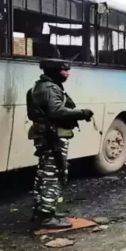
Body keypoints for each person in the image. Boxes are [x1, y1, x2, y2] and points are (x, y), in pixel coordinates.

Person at [27, 59, 94, 229]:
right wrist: (82, 113)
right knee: (53, 174)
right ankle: (47, 216)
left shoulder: (40, 86)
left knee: (43, 173)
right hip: (52, 137)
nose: (68, 73)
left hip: (46, 136)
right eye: (65, 70)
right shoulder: (49, 88)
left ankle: (41, 210)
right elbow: (56, 111)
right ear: (55, 71)